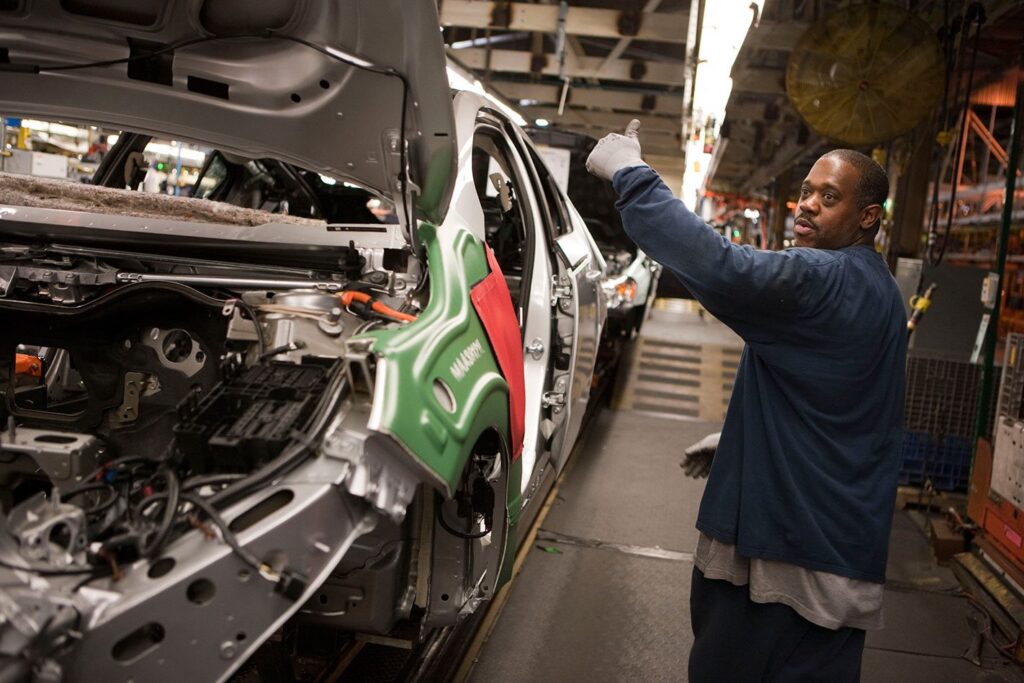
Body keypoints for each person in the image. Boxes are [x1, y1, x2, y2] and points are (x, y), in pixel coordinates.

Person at [587, 120, 906, 682]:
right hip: (842, 551)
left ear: (868, 217)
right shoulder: (878, 288)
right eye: (806, 191)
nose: (807, 206)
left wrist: (631, 175)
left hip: (781, 551)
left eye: (829, 198)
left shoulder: (821, 277)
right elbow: (841, 401)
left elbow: (721, 265)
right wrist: (743, 437)